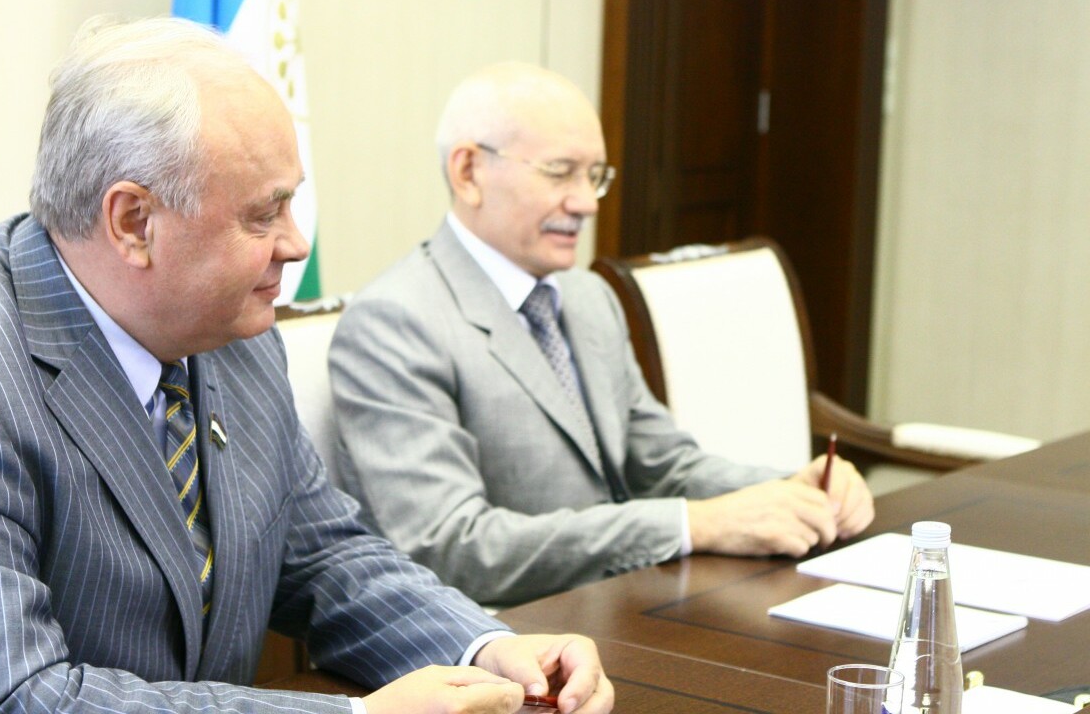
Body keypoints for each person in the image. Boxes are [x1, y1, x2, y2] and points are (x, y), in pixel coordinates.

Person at [0, 21, 613, 714]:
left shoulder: (230, 329)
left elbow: (323, 556)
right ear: (134, 221)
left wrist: (484, 647)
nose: (296, 244)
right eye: (264, 214)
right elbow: (16, 699)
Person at [327, 61, 874, 608]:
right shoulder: (396, 321)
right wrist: (694, 524)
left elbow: (662, 464)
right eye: (560, 172)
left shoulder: (588, 297)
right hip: (506, 634)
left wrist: (789, 491)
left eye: (595, 176)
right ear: (469, 171)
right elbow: (452, 546)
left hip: (626, 604)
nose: (587, 202)